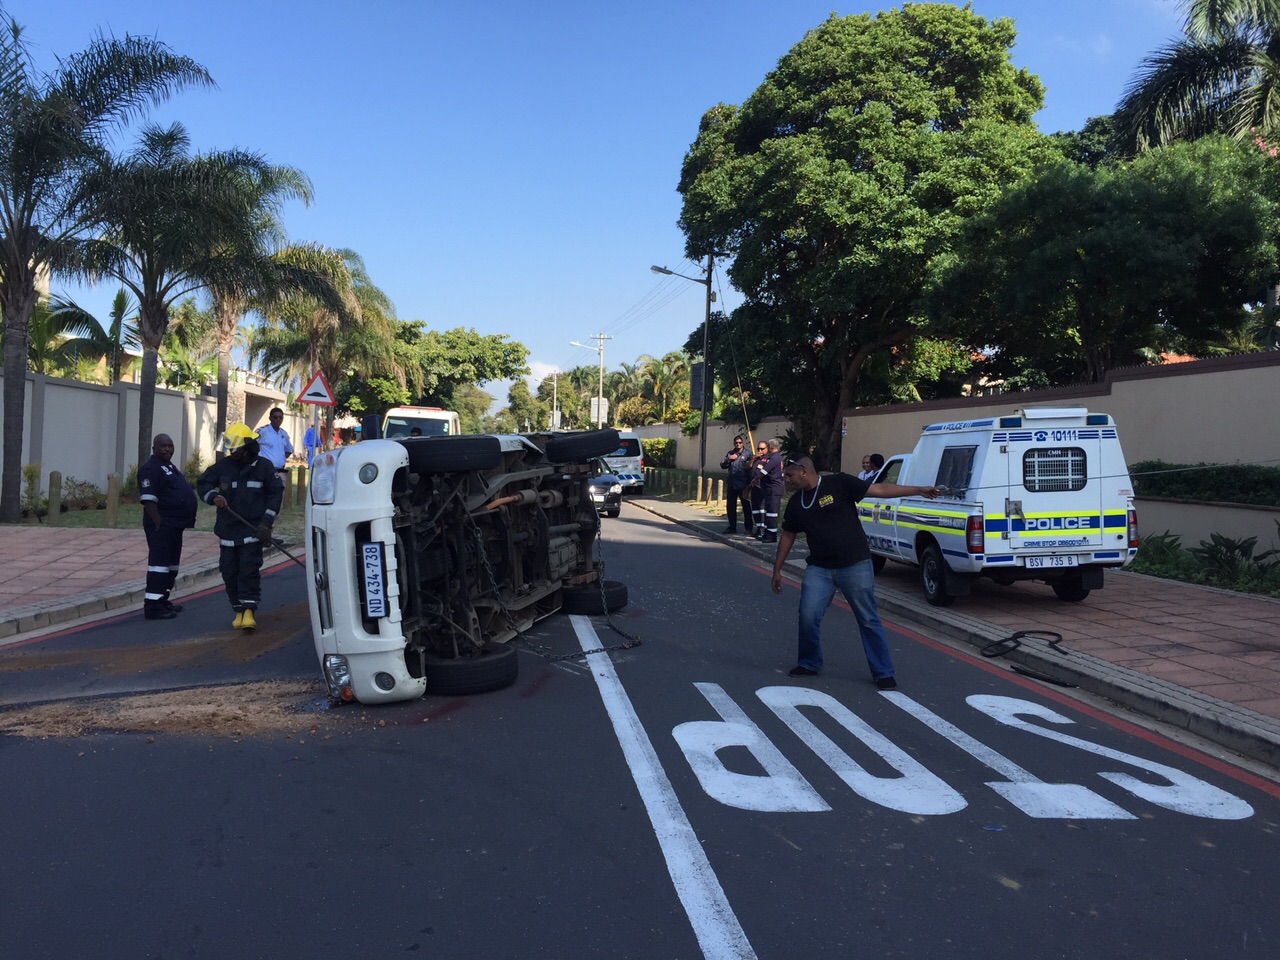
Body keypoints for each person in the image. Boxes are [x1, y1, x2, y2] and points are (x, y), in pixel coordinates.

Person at [770, 456, 941, 687]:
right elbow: (788, 535)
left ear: (803, 471)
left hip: (855, 565)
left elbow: (879, 489)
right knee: (808, 615)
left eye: (789, 475)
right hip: (819, 568)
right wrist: (777, 569)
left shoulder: (838, 484)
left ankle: (883, 672)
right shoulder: (796, 503)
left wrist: (918, 490)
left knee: (868, 618)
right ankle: (809, 662)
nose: (786, 480)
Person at [197, 423, 284, 631]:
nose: (232, 453)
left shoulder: (264, 467)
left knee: (248, 570)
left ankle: (249, 611)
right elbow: (203, 483)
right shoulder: (224, 467)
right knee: (229, 571)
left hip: (252, 530)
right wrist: (214, 497)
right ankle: (237, 609)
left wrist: (266, 522)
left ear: (248, 447)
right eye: (230, 449)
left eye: (235, 449)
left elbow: (276, 494)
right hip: (227, 530)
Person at [138, 433, 198, 620]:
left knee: (171, 566)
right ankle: (153, 607)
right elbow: (148, 500)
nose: (167, 449)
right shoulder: (150, 469)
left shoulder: (168, 466)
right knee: (159, 566)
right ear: (154, 448)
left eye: (170, 446)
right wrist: (159, 523)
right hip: (162, 526)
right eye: (163, 446)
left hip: (175, 526)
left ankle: (163, 599)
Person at [751, 438, 785, 543]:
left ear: (770, 447)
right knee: (769, 512)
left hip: (773, 488)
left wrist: (756, 479)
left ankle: (771, 535)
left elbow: (764, 471)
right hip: (770, 489)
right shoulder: (777, 457)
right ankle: (767, 533)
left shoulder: (774, 458)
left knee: (772, 513)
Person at [719, 435, 754, 535]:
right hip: (732, 483)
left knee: (746, 507)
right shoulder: (730, 453)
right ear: (734, 443)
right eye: (736, 443)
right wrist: (729, 459)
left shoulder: (747, 454)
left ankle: (748, 528)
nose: (738, 444)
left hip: (743, 484)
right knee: (730, 506)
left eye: (740, 442)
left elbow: (751, 468)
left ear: (742, 443)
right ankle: (732, 527)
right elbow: (722, 465)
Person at [256, 407, 294, 475]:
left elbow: (289, 450)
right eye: (275, 417)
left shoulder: (284, 434)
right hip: (265, 471)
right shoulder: (263, 432)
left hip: (279, 472)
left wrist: (280, 458)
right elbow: (252, 446)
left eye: (280, 418)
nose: (278, 420)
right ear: (270, 418)